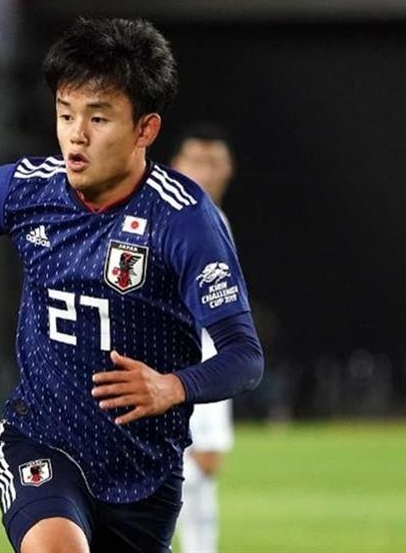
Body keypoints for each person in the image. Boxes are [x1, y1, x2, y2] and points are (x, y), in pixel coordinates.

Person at [0, 18, 263, 553]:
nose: (76, 134)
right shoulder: (25, 190)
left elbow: (244, 357)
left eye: (99, 118)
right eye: (66, 114)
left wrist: (172, 386)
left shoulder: (183, 220)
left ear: (145, 129)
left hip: (145, 474)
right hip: (40, 440)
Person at [170, 124, 238, 553]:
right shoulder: (176, 216)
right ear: (177, 164)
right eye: (197, 161)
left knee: (203, 465)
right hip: (183, 357)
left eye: (214, 162)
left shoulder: (213, 218)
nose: (206, 171)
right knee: (189, 464)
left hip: (212, 355)